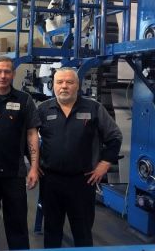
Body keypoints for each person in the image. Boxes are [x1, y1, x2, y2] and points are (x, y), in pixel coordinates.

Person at [37, 67, 122, 248]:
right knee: (52, 231)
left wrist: (105, 163)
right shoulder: (43, 109)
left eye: (70, 82)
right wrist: (33, 164)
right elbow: (28, 137)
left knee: (82, 231)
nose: (64, 86)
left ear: (78, 85)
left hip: (83, 182)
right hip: (51, 181)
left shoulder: (94, 108)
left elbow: (115, 136)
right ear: (53, 85)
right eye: (60, 82)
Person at [0, 56, 41, 250]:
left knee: (17, 224)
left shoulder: (24, 99)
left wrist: (34, 168)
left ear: (13, 74)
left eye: (7, 72)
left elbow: (32, 133)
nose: (3, 76)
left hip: (14, 173)